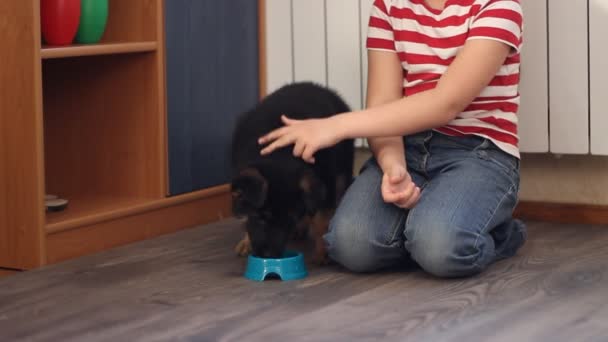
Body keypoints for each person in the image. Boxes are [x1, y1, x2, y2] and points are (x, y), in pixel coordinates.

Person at [259, 0, 526, 277]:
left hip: (477, 153)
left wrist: (335, 125)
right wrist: (393, 165)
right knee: (350, 245)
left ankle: (497, 234)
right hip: (405, 145)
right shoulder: (389, 7)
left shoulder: (499, 5)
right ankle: (426, 232)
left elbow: (445, 104)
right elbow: (383, 102)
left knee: (441, 248)